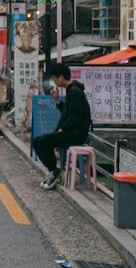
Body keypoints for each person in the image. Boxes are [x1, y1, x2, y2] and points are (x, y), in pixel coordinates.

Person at [33, 62, 92, 190]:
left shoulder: (74, 92)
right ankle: (53, 171)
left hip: (76, 135)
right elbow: (68, 112)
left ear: (61, 77)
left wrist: (62, 129)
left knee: (41, 141)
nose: (53, 81)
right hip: (72, 132)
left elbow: (74, 119)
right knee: (39, 141)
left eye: (54, 78)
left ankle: (54, 171)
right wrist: (57, 100)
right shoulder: (72, 90)